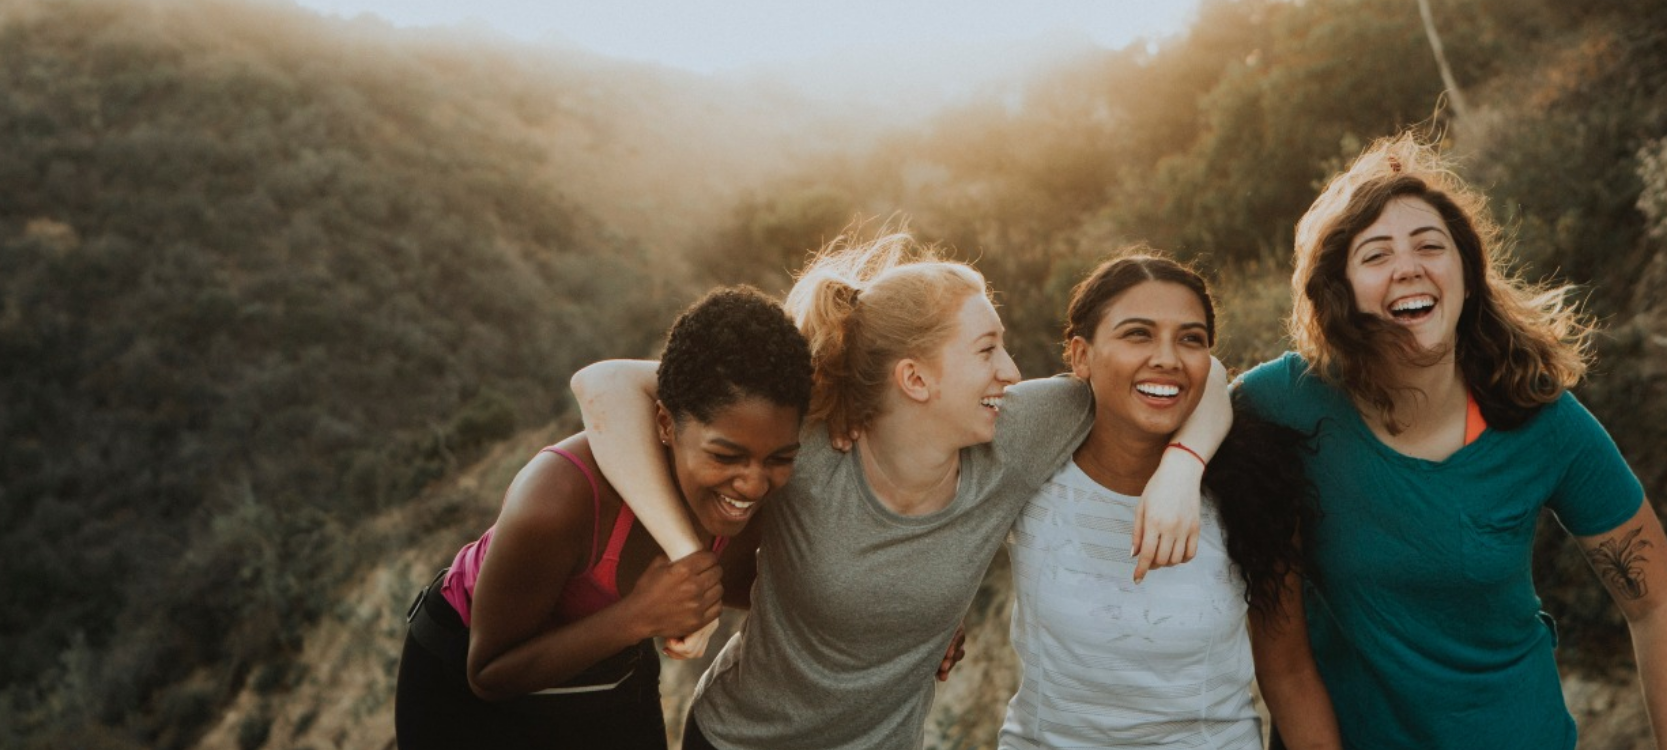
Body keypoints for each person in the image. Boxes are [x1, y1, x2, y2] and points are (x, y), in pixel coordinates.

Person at [571, 231, 1232, 750]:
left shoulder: (1021, 430)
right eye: (987, 350)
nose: (1011, 370)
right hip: (738, 740)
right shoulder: (807, 441)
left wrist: (1182, 466)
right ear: (915, 380)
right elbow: (603, 384)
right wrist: (690, 557)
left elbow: (1204, 373)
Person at [1238, 133, 1667, 748]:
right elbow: (1188, 394)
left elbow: (1655, 603)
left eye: (1430, 246)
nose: (1408, 266)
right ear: (1341, 288)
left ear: (1467, 274)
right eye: (1376, 254)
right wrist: (1179, 463)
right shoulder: (1290, 399)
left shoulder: (1542, 419)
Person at [392, 286, 813, 750]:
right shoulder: (558, 499)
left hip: (608, 664)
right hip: (468, 680)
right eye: (725, 455)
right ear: (666, 425)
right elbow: (488, 674)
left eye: (779, 458)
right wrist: (640, 615)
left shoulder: (745, 500)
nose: (753, 484)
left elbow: (765, 588)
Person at [998, 253, 1340, 749]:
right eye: (1138, 333)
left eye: (1190, 339)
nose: (1167, 358)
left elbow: (1288, 676)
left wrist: (1183, 466)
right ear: (1080, 356)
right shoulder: (1032, 463)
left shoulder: (1253, 486)